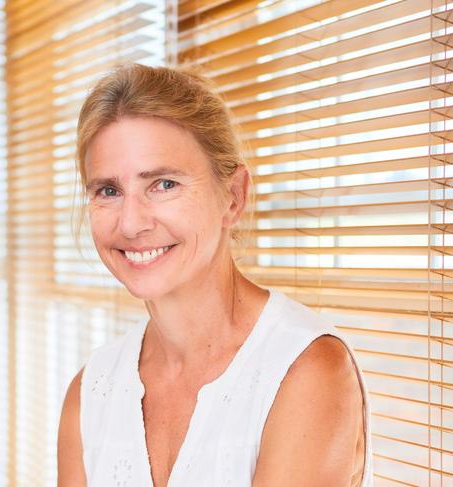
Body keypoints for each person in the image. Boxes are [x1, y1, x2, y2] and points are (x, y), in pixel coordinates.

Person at [57, 62, 373, 486]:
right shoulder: (90, 392)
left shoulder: (307, 371)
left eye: (163, 184)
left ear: (233, 197)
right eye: (108, 191)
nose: (131, 224)